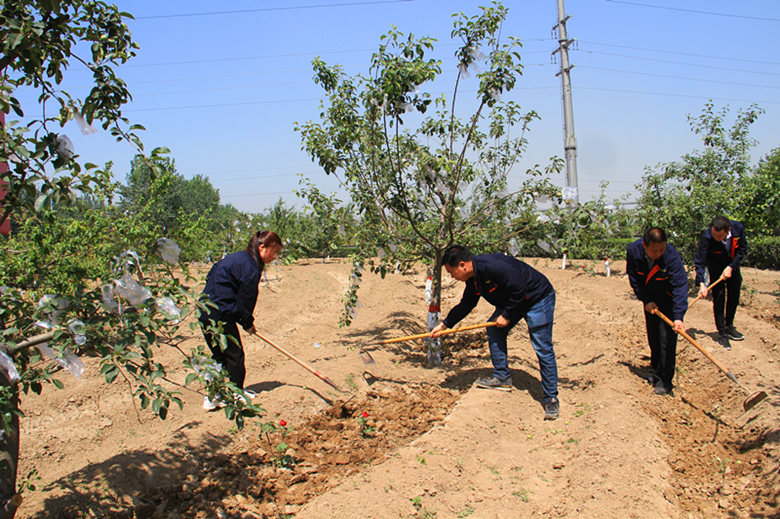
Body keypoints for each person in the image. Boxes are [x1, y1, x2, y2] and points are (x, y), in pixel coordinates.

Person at [430, 245, 560, 420]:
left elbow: (519, 288)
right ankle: (502, 377)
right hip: (513, 300)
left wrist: (506, 315)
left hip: (536, 299)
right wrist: (445, 325)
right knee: (494, 330)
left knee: (542, 346)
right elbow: (467, 304)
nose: (452, 276)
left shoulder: (495, 266)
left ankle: (551, 398)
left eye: (451, 272)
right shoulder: (473, 279)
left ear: (462, 265)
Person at [198, 230, 283, 410]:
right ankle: (236, 393)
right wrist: (247, 323)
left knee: (219, 356)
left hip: (204, 311)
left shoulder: (238, 258)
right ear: (261, 247)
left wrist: (242, 318)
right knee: (234, 356)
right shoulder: (251, 267)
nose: (274, 256)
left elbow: (213, 278)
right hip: (219, 315)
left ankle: (213, 397)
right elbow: (245, 299)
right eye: (273, 251)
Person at [626, 227, 688, 395]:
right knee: (654, 338)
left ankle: (666, 381)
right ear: (645, 246)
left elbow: (680, 285)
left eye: (662, 249)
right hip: (650, 302)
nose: (659, 253)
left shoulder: (670, 256)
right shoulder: (634, 251)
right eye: (655, 250)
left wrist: (678, 316)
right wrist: (646, 300)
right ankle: (657, 371)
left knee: (667, 340)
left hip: (668, 301)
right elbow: (634, 278)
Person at [694, 216, 748, 342]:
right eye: (714, 235)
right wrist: (702, 283)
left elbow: (742, 249)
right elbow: (700, 260)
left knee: (734, 296)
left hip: (732, 266)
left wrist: (731, 267)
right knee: (718, 297)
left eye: (719, 236)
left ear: (728, 230)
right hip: (716, 267)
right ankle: (722, 331)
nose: (716, 239)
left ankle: (729, 326)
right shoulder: (707, 237)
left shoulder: (738, 229)